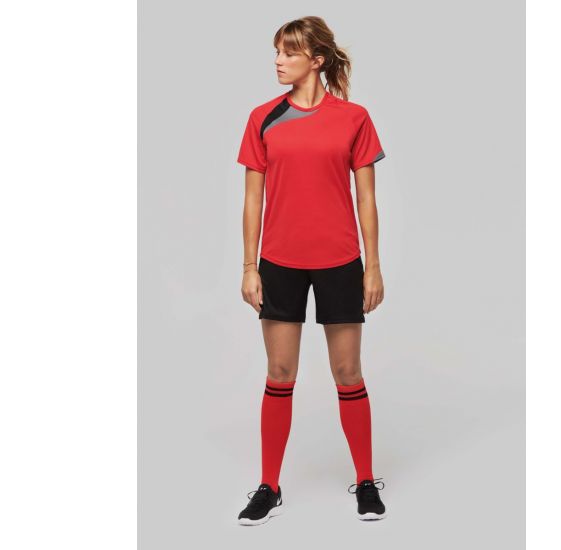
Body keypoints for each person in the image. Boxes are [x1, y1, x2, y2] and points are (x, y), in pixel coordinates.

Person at [236, 16, 388, 525]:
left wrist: (372, 267)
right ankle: (269, 486)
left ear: (316, 60)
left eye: (289, 52)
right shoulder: (262, 117)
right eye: (276, 51)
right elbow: (252, 200)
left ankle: (365, 480)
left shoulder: (354, 118)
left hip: (340, 263)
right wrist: (249, 267)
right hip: (279, 263)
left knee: (348, 373)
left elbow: (366, 199)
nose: (278, 61)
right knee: (280, 374)